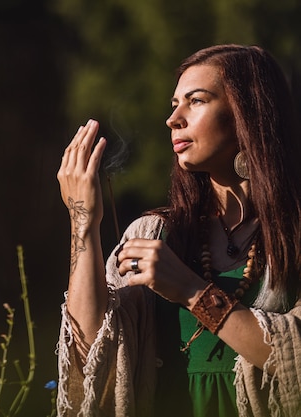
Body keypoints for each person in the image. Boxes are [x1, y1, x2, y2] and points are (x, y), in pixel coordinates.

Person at [55, 44, 301, 417]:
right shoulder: (154, 233)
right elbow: (92, 359)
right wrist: (83, 222)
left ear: (248, 114)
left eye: (196, 101)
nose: (174, 119)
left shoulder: (293, 234)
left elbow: (294, 358)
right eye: (174, 105)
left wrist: (190, 290)